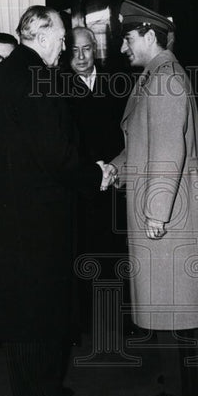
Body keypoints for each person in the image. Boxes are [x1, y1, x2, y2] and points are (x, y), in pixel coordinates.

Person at [0, 5, 112, 396]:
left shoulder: (0, 75)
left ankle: (36, 393)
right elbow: (55, 153)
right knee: (45, 305)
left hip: (12, 213)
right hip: (41, 214)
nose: (64, 46)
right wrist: (97, 174)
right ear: (38, 34)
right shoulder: (39, 77)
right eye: (59, 38)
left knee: (27, 306)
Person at [102, 0, 198, 396]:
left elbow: (169, 149)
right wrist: (115, 168)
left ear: (149, 35)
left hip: (169, 203)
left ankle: (183, 388)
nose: (124, 47)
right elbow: (146, 143)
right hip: (170, 196)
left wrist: (156, 211)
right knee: (178, 298)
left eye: (128, 37)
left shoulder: (164, 77)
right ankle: (186, 382)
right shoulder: (157, 75)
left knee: (173, 298)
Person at [67, 26, 126, 339]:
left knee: (116, 251)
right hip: (82, 187)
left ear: (96, 50)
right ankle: (91, 325)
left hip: (115, 183)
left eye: (86, 49)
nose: (80, 57)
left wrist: (117, 169)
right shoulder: (58, 89)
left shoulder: (115, 84)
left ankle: (120, 321)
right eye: (74, 50)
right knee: (85, 254)